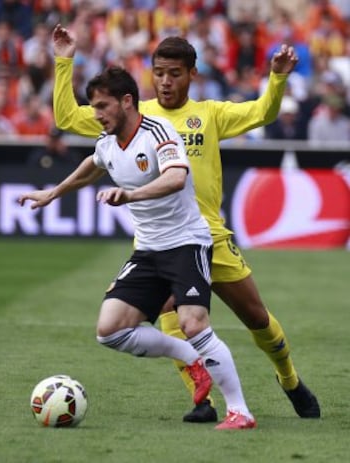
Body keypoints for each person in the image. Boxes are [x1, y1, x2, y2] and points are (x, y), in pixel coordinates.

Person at [52, 25, 321, 422]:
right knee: (173, 322)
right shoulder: (132, 115)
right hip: (160, 241)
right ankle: (203, 402)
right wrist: (64, 61)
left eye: (174, 73)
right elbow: (67, 118)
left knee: (257, 319)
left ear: (192, 75)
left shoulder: (209, 114)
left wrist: (277, 77)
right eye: (159, 72)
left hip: (208, 234)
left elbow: (264, 111)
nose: (165, 81)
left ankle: (290, 379)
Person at [18, 66, 256, 430]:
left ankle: (240, 411)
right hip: (148, 250)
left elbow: (177, 177)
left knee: (193, 323)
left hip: (186, 242)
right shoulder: (108, 141)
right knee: (110, 330)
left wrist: (130, 194)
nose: (96, 115)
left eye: (102, 106)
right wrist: (52, 193)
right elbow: (93, 165)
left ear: (127, 101)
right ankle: (192, 360)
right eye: (93, 107)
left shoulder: (159, 132)